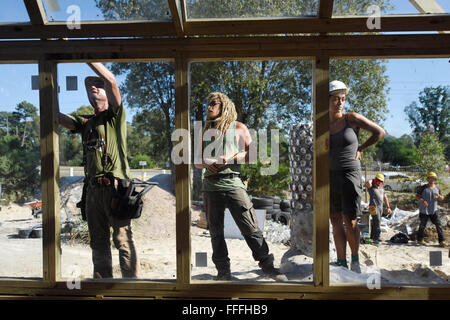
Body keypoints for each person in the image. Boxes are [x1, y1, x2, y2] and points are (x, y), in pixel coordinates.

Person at [58, 62, 139, 279]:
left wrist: (89, 58)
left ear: (107, 93)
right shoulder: (87, 122)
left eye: (97, 85)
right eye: (89, 87)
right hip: (93, 191)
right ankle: (102, 285)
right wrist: (50, 94)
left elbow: (112, 81)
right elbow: (58, 118)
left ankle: (131, 287)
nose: (92, 87)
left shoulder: (115, 116)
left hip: (115, 189)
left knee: (123, 240)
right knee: (98, 242)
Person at [194, 92, 286, 281]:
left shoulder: (239, 128)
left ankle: (268, 267)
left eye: (213, 103)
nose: (209, 107)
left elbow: (252, 156)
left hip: (233, 183)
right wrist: (207, 161)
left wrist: (228, 157)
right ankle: (223, 272)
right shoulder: (205, 131)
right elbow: (196, 161)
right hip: (210, 186)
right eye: (207, 103)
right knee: (215, 232)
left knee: (250, 227)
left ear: (224, 105)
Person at [329, 80, 386, 273]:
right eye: (336, 98)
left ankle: (355, 261)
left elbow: (379, 132)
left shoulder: (350, 119)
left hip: (350, 174)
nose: (340, 102)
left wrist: (361, 147)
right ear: (327, 100)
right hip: (329, 176)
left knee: (350, 219)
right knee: (335, 218)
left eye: (343, 99)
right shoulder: (323, 125)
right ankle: (341, 261)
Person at [415, 172, 447, 247]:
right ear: (428, 179)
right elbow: (417, 196)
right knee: (422, 225)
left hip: (434, 210)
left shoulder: (437, 188)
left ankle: (442, 241)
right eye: (430, 178)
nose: (431, 179)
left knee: (438, 225)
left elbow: (442, 198)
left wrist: (438, 195)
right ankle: (420, 240)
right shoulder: (423, 187)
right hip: (424, 210)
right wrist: (422, 201)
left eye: (433, 178)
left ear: (435, 179)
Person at [365, 173, 392, 244]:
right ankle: (376, 238)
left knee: (376, 222)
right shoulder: (371, 188)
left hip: (380, 207)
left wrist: (388, 207)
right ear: (375, 180)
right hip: (373, 207)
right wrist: (373, 179)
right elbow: (367, 182)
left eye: (380, 181)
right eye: (378, 180)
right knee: (377, 221)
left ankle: (373, 237)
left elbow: (385, 198)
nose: (379, 182)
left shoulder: (381, 189)